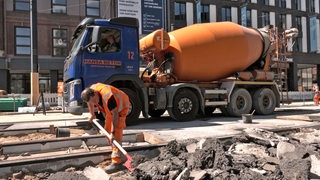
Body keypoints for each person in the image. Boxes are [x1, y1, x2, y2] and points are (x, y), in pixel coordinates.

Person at [81, 82, 129, 173]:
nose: (94, 103)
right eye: (92, 102)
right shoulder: (91, 92)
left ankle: (116, 162)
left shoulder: (108, 95)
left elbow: (115, 113)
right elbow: (90, 103)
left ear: (95, 94)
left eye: (94, 101)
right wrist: (92, 114)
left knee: (116, 133)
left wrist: (113, 133)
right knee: (107, 130)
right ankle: (115, 150)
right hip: (110, 110)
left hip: (121, 107)